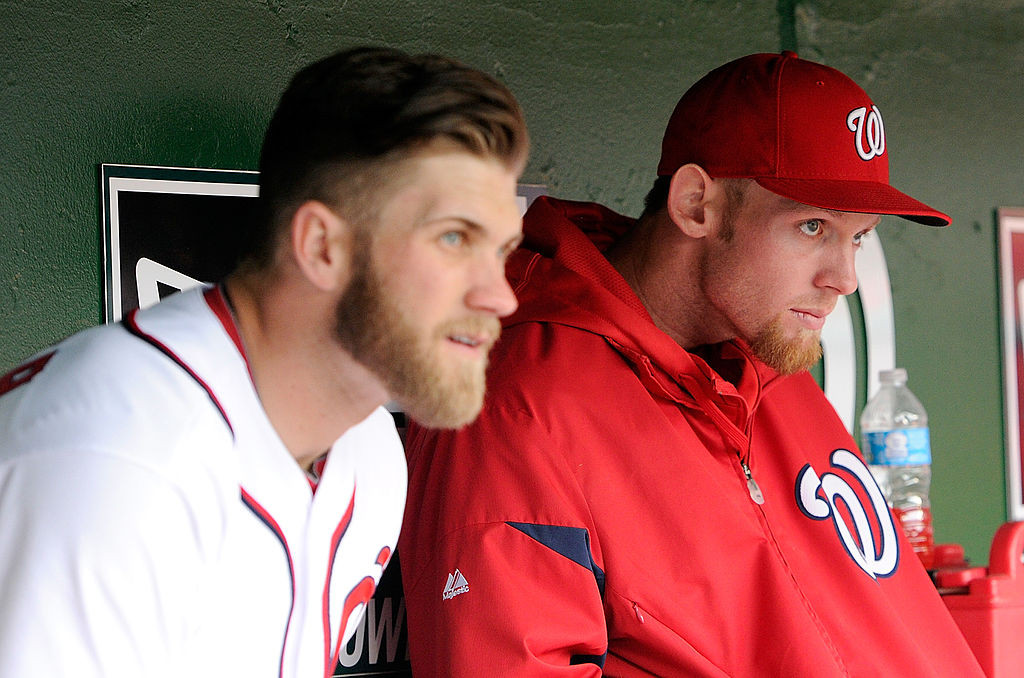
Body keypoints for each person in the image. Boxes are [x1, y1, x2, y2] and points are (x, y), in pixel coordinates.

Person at [398, 51, 984, 676]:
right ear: (696, 203)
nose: (844, 278)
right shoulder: (524, 403)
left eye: (859, 237)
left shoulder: (771, 370)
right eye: (814, 227)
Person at [0, 46, 528, 677]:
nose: (499, 294)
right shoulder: (116, 458)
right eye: (453, 238)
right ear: (321, 246)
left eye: (502, 249)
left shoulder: (366, 453)